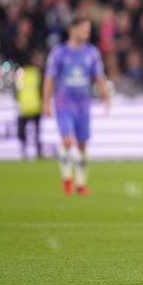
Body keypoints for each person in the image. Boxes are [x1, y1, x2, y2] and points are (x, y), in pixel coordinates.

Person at [43, 18, 110, 195]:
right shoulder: (59, 53)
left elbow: (99, 75)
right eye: (83, 29)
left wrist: (106, 95)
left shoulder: (92, 53)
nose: (87, 33)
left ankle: (80, 184)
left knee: (82, 145)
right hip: (64, 103)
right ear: (72, 30)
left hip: (83, 104)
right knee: (67, 140)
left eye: (88, 29)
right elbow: (49, 78)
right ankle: (67, 179)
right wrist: (45, 102)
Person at [15, 50, 45, 159]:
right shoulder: (38, 73)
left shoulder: (21, 72)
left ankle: (24, 150)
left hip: (24, 106)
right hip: (35, 106)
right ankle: (38, 151)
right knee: (37, 131)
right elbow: (42, 89)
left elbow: (17, 90)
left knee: (23, 131)